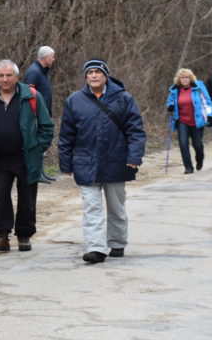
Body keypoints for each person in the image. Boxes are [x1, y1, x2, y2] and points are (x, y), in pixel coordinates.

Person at [58, 58, 146, 264]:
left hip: (117, 160)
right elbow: (66, 134)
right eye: (90, 72)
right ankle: (95, 248)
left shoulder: (123, 98)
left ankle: (117, 242)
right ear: (85, 76)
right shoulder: (74, 100)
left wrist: (134, 156)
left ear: (106, 75)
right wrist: (66, 161)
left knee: (116, 206)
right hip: (85, 162)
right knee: (91, 207)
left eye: (98, 72)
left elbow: (136, 130)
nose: (94, 76)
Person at [0, 60, 54, 253]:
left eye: (9, 75)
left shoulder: (31, 96)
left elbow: (47, 126)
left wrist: (37, 148)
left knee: (27, 198)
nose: (5, 79)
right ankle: (1, 236)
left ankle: (24, 235)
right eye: (1, 76)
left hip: (26, 157)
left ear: (17, 76)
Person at [166, 69, 212, 174]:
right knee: (183, 144)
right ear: (179, 79)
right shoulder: (175, 90)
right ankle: (188, 167)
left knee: (197, 144)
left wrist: (210, 115)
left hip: (197, 120)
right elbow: (170, 101)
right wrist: (170, 106)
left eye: (186, 77)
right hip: (182, 121)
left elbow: (207, 102)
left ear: (190, 78)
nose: (184, 79)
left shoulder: (198, 88)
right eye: (182, 77)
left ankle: (199, 159)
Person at [23, 46, 57, 183]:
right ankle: (37, 173)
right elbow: (28, 94)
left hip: (43, 115)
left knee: (42, 143)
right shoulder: (34, 72)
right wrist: (33, 115)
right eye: (52, 57)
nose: (54, 59)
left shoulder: (43, 72)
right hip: (35, 115)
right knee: (37, 145)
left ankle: (41, 172)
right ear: (45, 57)